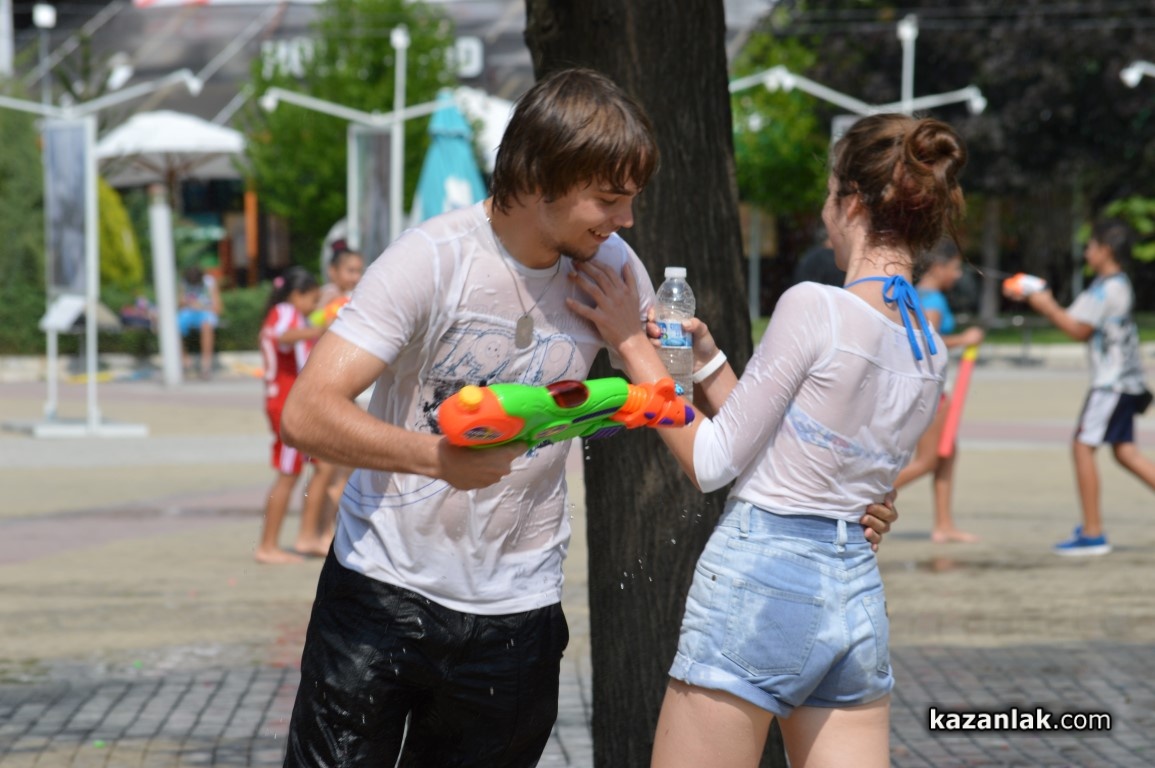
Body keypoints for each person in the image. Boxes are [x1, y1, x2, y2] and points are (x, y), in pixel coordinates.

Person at [276, 69, 898, 767]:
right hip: (379, 589)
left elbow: (706, 428)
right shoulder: (431, 260)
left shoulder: (612, 269)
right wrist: (436, 460)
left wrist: (836, 496)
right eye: (607, 199)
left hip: (518, 612)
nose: (625, 220)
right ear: (540, 176)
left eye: (630, 199)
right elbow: (307, 413)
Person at [570, 112, 966, 768]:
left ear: (851, 203)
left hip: (762, 582)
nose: (823, 213)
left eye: (828, 195)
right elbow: (794, 454)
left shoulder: (815, 305)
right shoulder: (928, 348)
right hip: (854, 594)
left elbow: (712, 461)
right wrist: (707, 361)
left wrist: (630, 344)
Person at [1003, 217, 1155, 556]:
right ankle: (1091, 529)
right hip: (1124, 382)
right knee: (1126, 452)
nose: (1086, 253)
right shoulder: (1112, 284)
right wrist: (1039, 298)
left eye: (1091, 246)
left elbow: (1077, 330)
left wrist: (1045, 305)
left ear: (1106, 250)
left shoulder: (1108, 289)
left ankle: (1093, 532)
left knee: (1082, 447)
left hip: (1111, 383)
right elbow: (1076, 319)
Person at [893, 240, 984, 543]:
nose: (957, 275)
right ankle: (864, 500)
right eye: (955, 268)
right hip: (931, 391)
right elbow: (927, 343)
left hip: (926, 388)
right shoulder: (932, 300)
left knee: (948, 454)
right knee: (929, 460)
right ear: (937, 267)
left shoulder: (915, 295)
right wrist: (965, 339)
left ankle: (944, 525)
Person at [254, 267, 332, 564]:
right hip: (286, 405)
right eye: (312, 299)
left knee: (321, 466)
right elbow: (283, 336)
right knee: (289, 474)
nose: (314, 306)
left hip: (293, 403)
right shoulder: (286, 312)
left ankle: (307, 535)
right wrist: (319, 330)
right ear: (296, 295)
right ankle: (268, 545)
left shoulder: (290, 314)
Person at [177, 265, 223, 379]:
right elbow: (179, 305)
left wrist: (201, 306)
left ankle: (205, 366)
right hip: (188, 312)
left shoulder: (210, 282)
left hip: (206, 312)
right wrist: (185, 302)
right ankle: (185, 362)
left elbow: (218, 308)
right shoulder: (184, 282)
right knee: (172, 326)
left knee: (206, 325)